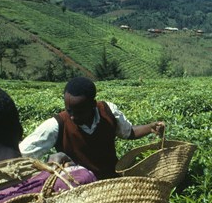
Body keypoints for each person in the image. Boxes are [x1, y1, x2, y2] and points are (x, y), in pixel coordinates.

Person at [20, 76, 165, 179]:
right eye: (69, 111)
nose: (73, 117)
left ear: (93, 104)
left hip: (112, 179)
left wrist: (150, 127)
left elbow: (128, 132)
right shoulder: (56, 125)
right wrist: (48, 167)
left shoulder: (109, 112)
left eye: (79, 112)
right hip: (79, 187)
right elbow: (22, 156)